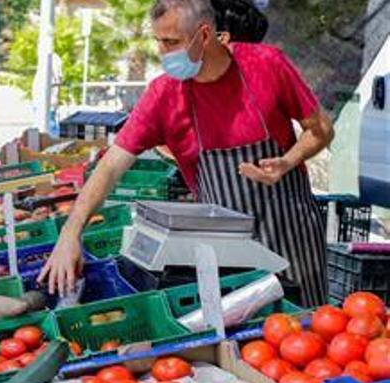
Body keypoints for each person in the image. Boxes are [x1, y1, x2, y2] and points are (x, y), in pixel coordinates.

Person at [39, 0, 334, 308]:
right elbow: (111, 166)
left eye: (172, 42)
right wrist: (71, 233)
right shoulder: (163, 95)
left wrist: (287, 161)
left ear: (204, 35)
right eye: (159, 42)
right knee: (245, 341)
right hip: (225, 250)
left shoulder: (266, 64)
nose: (164, 53)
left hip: (293, 234)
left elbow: (321, 129)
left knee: (309, 330)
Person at [33, 52, 64, 138]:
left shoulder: (53, 59)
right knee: (38, 125)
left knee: (50, 125)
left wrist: (55, 96)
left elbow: (58, 79)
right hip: (38, 99)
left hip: (48, 100)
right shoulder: (42, 57)